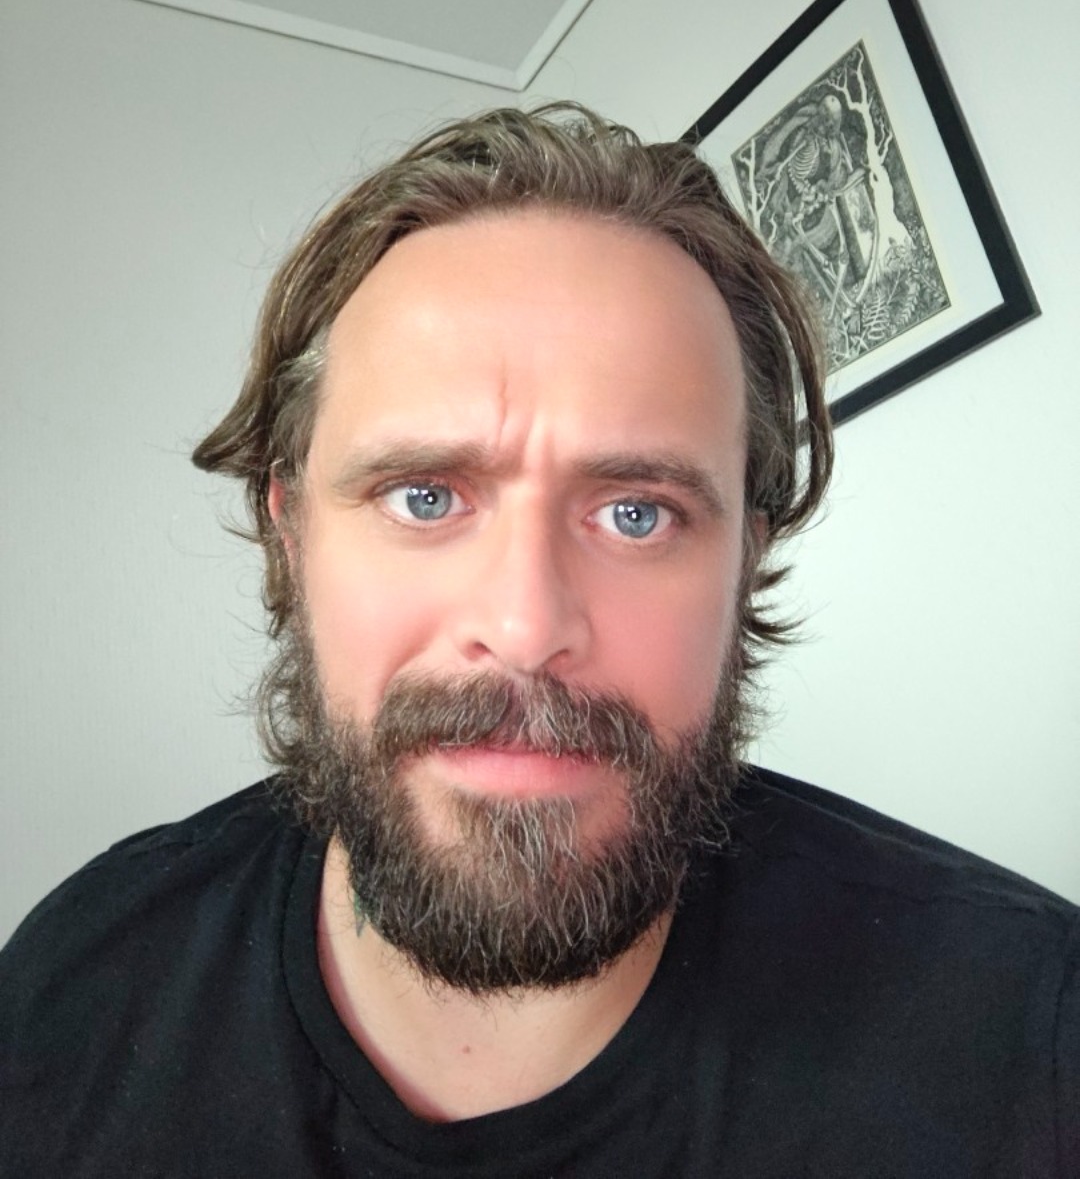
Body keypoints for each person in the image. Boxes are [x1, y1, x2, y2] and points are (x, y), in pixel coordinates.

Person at [1, 104, 1076, 1176]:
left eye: (637, 514)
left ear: (744, 560)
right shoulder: (75, 980)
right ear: (293, 535)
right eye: (425, 496)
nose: (524, 630)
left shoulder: (1030, 1038)